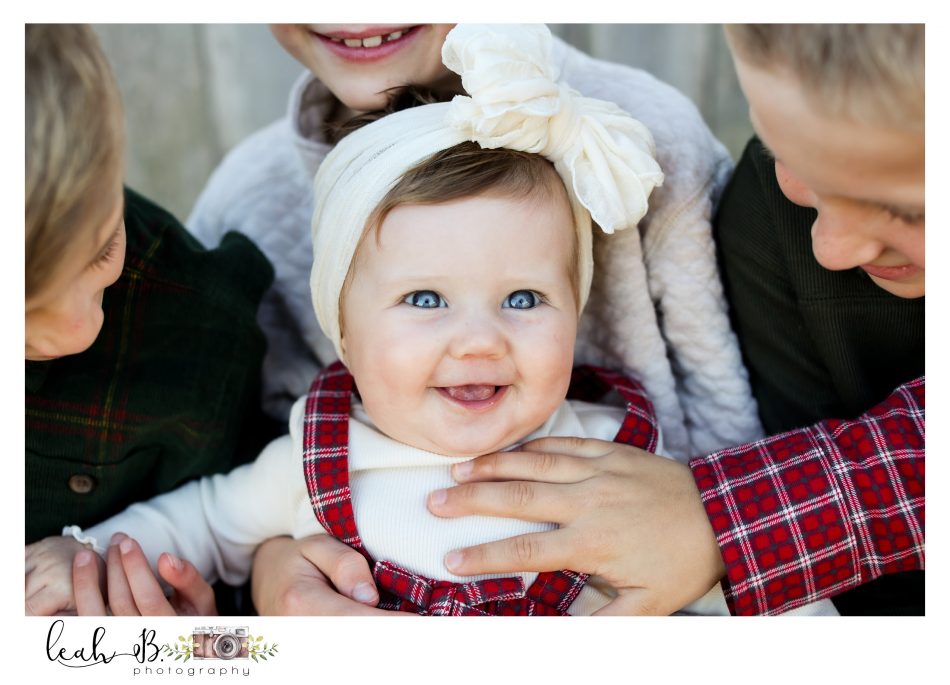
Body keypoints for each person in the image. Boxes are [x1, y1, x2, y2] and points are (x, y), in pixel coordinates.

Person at [26, 24, 837, 617]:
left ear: (577, 308)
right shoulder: (316, 458)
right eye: (424, 300)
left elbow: (728, 566)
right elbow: (200, 519)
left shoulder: (610, 454)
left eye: (524, 299)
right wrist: (80, 551)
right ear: (344, 334)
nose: (480, 339)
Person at [24, 24, 274, 616]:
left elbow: (234, 522)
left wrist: (182, 639)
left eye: (102, 250)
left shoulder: (200, 329)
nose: (77, 328)